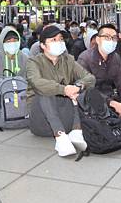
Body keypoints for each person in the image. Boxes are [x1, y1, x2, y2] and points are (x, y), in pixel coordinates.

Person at [26, 25, 96, 157]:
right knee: (45, 91)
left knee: (83, 89)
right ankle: (60, 137)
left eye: (60, 39)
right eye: (53, 40)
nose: (59, 42)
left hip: (65, 117)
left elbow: (90, 78)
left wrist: (77, 87)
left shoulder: (68, 59)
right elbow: (37, 83)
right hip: (41, 119)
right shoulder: (33, 62)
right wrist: (64, 89)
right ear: (42, 45)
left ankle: (76, 130)